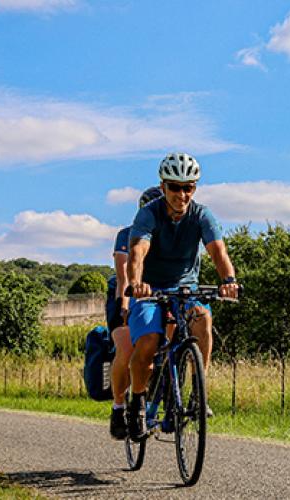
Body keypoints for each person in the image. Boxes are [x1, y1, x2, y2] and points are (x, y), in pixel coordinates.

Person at [124, 152, 239, 440]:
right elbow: (138, 251)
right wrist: (137, 283)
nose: (182, 194)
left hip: (185, 289)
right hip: (150, 290)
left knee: (202, 317)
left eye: (188, 187)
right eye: (175, 187)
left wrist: (229, 281)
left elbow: (218, 251)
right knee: (149, 343)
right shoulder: (148, 213)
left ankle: (198, 393)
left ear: (195, 188)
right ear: (163, 186)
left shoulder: (202, 215)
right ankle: (137, 403)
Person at [107, 186, 164, 440]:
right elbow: (123, 275)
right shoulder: (127, 235)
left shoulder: (168, 235)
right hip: (125, 297)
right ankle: (119, 406)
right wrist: (125, 307)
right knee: (127, 349)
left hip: (157, 295)